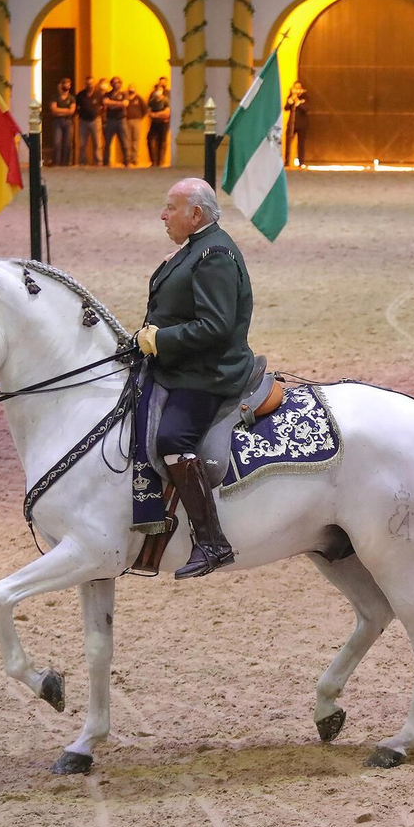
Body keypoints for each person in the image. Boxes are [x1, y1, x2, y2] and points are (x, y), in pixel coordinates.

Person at [134, 178, 256, 581]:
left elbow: (216, 326)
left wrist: (160, 340)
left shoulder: (215, 254)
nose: (163, 214)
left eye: (171, 207)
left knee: (173, 438)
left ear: (196, 214)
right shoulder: (197, 247)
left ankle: (212, 541)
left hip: (210, 372)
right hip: (183, 363)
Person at [48, 77, 76, 167]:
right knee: (57, 142)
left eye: (69, 84)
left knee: (68, 143)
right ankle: (56, 162)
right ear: (61, 85)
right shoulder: (55, 97)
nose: (67, 85)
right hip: (57, 122)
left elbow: (72, 111)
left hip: (68, 122)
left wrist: (59, 111)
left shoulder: (71, 98)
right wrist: (66, 111)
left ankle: (66, 163)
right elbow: (53, 109)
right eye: (65, 83)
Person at [101, 77, 128, 168]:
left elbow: (125, 104)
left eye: (118, 82)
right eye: (114, 82)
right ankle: (106, 162)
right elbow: (105, 102)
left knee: (124, 141)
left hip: (121, 120)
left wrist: (112, 104)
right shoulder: (107, 94)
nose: (116, 84)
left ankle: (127, 162)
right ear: (111, 84)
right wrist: (118, 104)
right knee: (107, 142)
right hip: (110, 120)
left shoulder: (124, 93)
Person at [77, 77, 101, 166]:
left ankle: (98, 161)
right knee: (82, 143)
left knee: (97, 142)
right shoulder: (80, 95)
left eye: (91, 83)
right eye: (87, 84)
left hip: (96, 120)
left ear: (93, 84)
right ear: (85, 84)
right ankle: (82, 162)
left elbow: (104, 106)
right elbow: (77, 107)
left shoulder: (98, 94)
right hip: (83, 121)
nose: (89, 85)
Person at [147, 78, 171, 167]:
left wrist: (155, 115)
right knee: (150, 139)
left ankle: (160, 162)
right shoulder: (152, 101)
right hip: (154, 123)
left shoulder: (166, 100)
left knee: (162, 141)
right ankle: (154, 161)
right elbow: (149, 112)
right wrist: (158, 115)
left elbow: (167, 113)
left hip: (164, 123)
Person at [284, 81, 307, 167]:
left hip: (302, 124)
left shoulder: (305, 97)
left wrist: (298, 102)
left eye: (298, 88)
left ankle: (301, 162)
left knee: (301, 143)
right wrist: (290, 100)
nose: (296, 90)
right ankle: (287, 161)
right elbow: (286, 108)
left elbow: (306, 109)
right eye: (295, 88)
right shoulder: (290, 97)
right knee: (288, 142)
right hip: (292, 124)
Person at [124, 83, 147, 167]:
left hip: (137, 121)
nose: (131, 89)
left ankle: (135, 158)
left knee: (135, 140)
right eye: (130, 87)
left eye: (133, 87)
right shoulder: (125, 98)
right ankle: (128, 159)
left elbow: (145, 109)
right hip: (126, 121)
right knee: (127, 140)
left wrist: (140, 117)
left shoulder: (139, 98)